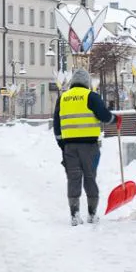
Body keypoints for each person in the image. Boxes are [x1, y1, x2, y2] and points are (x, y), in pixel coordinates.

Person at [51, 66, 115, 225]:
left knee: (73, 178)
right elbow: (104, 115)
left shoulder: (63, 98)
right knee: (90, 177)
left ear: (73, 82)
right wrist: (114, 120)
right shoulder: (91, 96)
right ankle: (92, 214)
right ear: (87, 82)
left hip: (69, 147)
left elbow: (57, 123)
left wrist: (62, 144)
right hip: (89, 147)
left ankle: (74, 214)